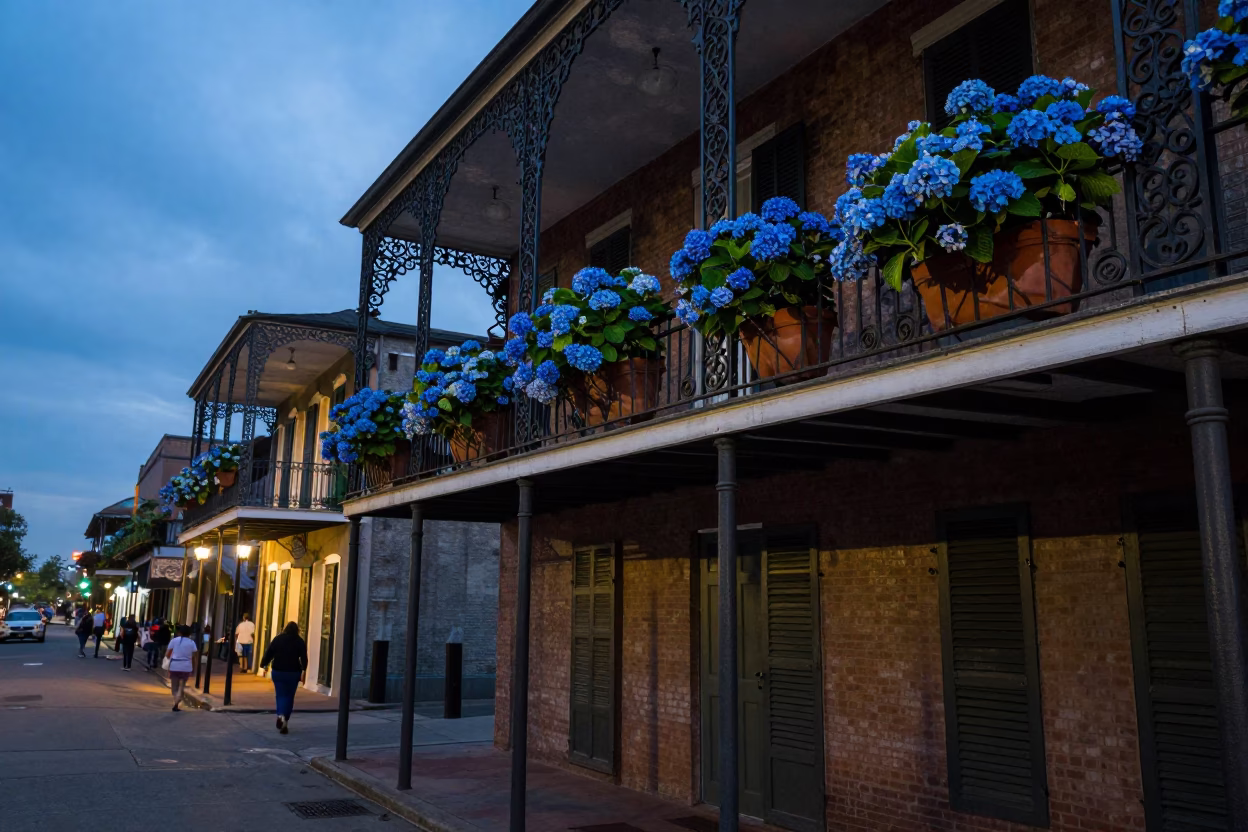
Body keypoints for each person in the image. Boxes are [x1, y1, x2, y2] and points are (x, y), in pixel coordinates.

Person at [259, 621, 307, 734]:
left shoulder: (278, 639)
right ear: (297, 630)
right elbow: (304, 657)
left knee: (280, 695)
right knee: (289, 697)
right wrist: (304, 670)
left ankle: (281, 715)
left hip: (278, 671)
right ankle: (285, 718)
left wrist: (263, 664)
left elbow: (269, 652)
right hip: (293, 672)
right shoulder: (299, 641)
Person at [165, 625, 198, 712]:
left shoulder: (174, 641)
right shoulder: (192, 643)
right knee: (181, 686)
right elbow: (194, 657)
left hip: (175, 665)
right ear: (189, 633)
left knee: (174, 687)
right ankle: (177, 701)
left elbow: (167, 654)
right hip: (186, 666)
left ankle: (176, 700)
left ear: (179, 632)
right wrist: (193, 668)